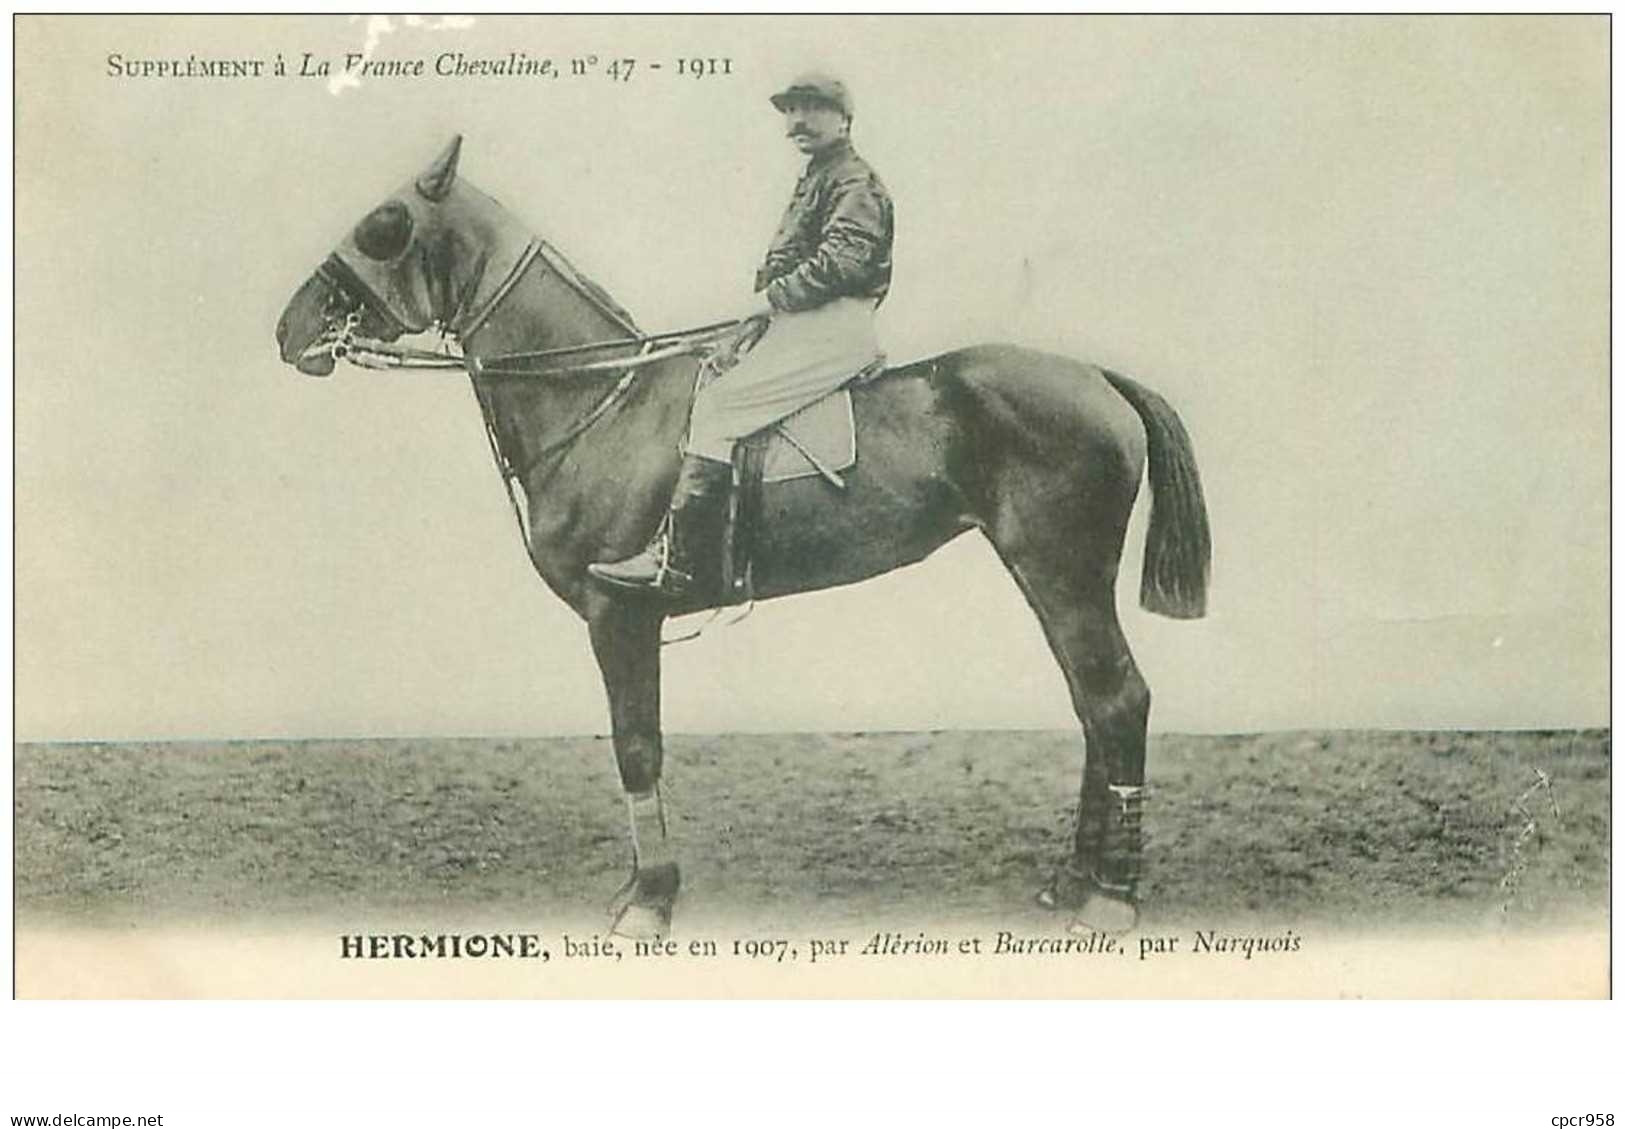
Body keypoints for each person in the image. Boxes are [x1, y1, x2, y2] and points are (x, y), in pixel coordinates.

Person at [589, 72, 895, 596]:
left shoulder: (853, 180)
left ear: (844, 118)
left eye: (812, 108)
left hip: (836, 324)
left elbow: (842, 261)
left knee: (720, 406)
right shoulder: (820, 175)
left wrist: (768, 302)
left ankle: (677, 562)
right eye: (791, 110)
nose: (797, 120)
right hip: (806, 318)